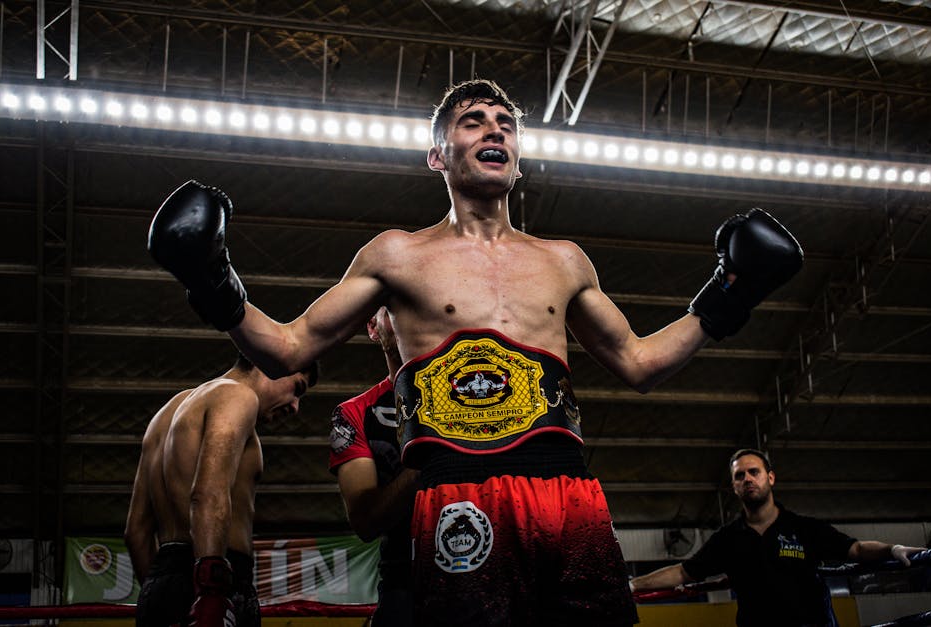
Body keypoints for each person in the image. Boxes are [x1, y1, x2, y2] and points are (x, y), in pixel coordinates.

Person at [147, 79, 803, 625]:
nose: (494, 130)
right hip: (459, 496)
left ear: (518, 155)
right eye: (471, 121)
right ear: (438, 155)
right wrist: (213, 281)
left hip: (568, 491)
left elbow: (640, 362)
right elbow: (287, 346)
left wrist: (727, 297)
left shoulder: (565, 261)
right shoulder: (396, 254)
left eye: (505, 123)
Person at [629, 449, 925, 627]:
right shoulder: (728, 539)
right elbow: (683, 571)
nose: (747, 479)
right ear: (733, 486)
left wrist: (893, 548)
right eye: (739, 476)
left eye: (753, 472)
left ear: (770, 477)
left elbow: (856, 548)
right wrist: (631, 584)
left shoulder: (805, 528)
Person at [124, 354, 316, 627]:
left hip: (161, 585)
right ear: (269, 365)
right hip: (215, 576)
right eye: (297, 388)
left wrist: (167, 596)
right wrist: (210, 593)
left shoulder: (165, 414)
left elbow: (136, 533)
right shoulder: (238, 395)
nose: (296, 406)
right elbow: (207, 493)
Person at [329, 306, 419, 627]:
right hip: (404, 584)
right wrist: (431, 454)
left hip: (486, 572)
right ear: (372, 327)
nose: (410, 318)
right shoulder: (354, 413)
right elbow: (365, 521)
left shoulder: (476, 397)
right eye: (394, 309)